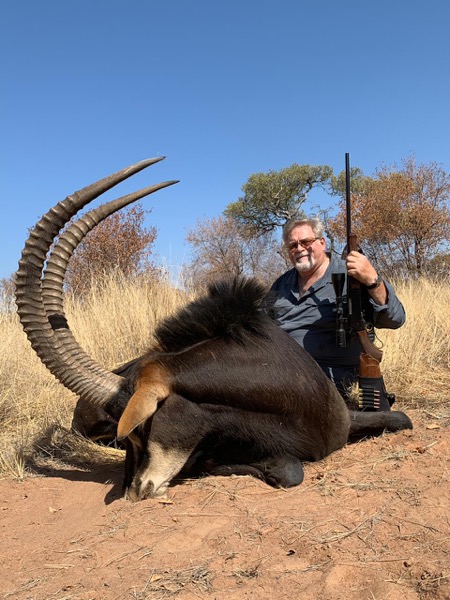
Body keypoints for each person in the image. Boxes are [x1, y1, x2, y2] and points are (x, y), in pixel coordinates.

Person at [266, 217, 405, 407]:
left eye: (306, 242)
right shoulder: (281, 284)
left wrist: (372, 280)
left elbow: (396, 319)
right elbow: (260, 324)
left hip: (329, 380)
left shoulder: (352, 276)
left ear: (322, 242)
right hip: (283, 373)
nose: (299, 249)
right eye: (293, 245)